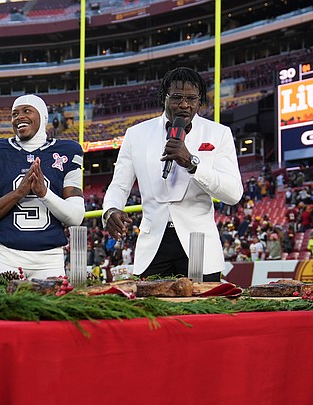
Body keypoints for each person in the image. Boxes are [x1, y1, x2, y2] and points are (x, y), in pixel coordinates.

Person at [101, 67, 243, 280]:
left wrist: (192, 163)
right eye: (177, 97)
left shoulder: (219, 133)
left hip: (199, 245)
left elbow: (233, 194)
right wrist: (111, 209)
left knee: (203, 312)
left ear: (200, 101)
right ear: (163, 98)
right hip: (153, 245)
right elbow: (119, 185)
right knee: (150, 311)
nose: (184, 105)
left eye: (191, 98)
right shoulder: (136, 134)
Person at [0, 94, 84, 279]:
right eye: (14, 114)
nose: (19, 117)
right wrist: (18, 193)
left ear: (43, 116)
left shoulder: (67, 152)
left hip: (50, 257)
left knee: (49, 308)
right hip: (5, 256)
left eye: (26, 111)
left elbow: (76, 217)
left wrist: (44, 193)